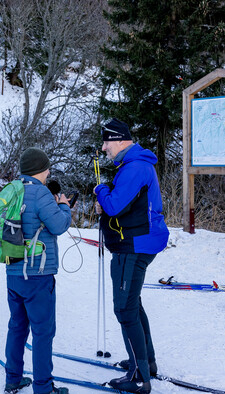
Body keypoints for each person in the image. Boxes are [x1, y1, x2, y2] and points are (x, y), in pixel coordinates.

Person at [93, 118, 169, 394]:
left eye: (106, 142)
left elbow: (113, 205)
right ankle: (146, 362)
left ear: (120, 140)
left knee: (125, 309)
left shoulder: (135, 167)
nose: (104, 148)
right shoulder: (132, 164)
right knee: (132, 304)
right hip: (135, 242)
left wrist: (101, 190)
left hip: (134, 245)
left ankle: (139, 376)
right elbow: (123, 204)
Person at [3, 147, 72, 394]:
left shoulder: (12, 191)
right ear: (42, 170)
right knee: (43, 331)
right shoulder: (41, 193)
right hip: (38, 274)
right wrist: (64, 206)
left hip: (13, 271)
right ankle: (43, 387)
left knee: (17, 325)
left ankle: (13, 378)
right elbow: (59, 225)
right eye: (47, 168)